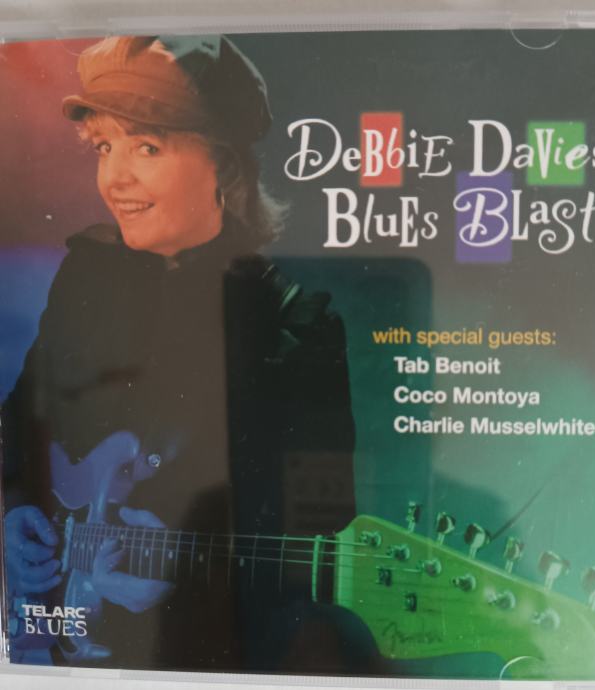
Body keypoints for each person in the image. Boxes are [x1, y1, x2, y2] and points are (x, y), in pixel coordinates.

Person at [2, 35, 372, 672]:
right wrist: (12, 521)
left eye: (146, 146)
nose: (114, 178)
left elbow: (316, 545)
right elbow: (18, 432)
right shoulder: (86, 272)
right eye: (104, 147)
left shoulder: (299, 327)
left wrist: (177, 584)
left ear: (223, 167)